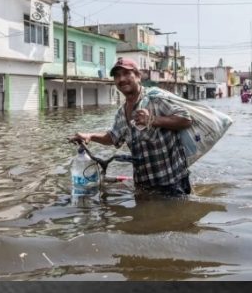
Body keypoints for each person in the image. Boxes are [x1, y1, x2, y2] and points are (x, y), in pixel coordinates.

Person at [71, 57, 194, 196]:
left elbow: (186, 119)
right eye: (117, 76)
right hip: (143, 187)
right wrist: (90, 136)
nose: (121, 79)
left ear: (138, 76)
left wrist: (153, 120)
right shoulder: (121, 113)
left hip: (172, 184)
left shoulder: (155, 98)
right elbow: (113, 137)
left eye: (126, 73)